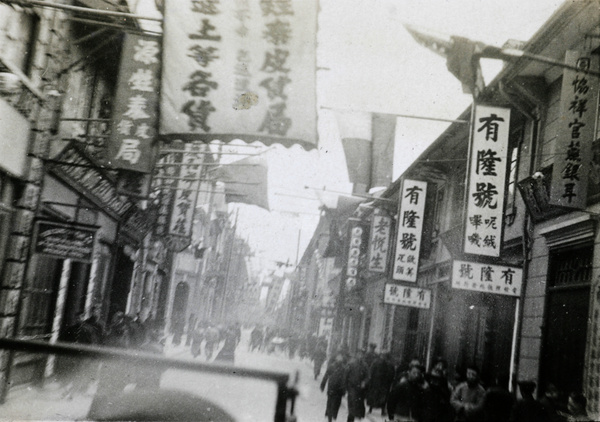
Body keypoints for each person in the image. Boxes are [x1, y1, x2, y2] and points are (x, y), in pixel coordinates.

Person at [365, 351, 395, 416]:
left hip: (377, 383)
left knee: (375, 396)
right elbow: (392, 374)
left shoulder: (375, 362)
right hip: (383, 384)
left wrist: (371, 380)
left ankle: (371, 410)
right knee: (382, 397)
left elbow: (371, 371)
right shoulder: (390, 364)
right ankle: (381, 411)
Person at [321, 351, 347, 422]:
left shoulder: (344, 369)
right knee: (330, 403)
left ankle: (333, 416)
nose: (339, 359)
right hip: (331, 388)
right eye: (338, 358)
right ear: (336, 358)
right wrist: (322, 385)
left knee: (336, 405)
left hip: (339, 390)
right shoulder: (332, 367)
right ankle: (330, 418)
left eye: (340, 358)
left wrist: (344, 390)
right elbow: (326, 376)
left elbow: (345, 380)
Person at [345, 350, 369, 422]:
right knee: (352, 403)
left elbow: (368, 376)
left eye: (362, 355)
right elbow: (346, 375)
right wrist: (346, 387)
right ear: (356, 355)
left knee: (358, 405)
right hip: (352, 387)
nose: (360, 356)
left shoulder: (365, 365)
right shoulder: (351, 364)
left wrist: (364, 382)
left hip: (360, 389)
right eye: (359, 354)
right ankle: (350, 418)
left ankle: (353, 417)